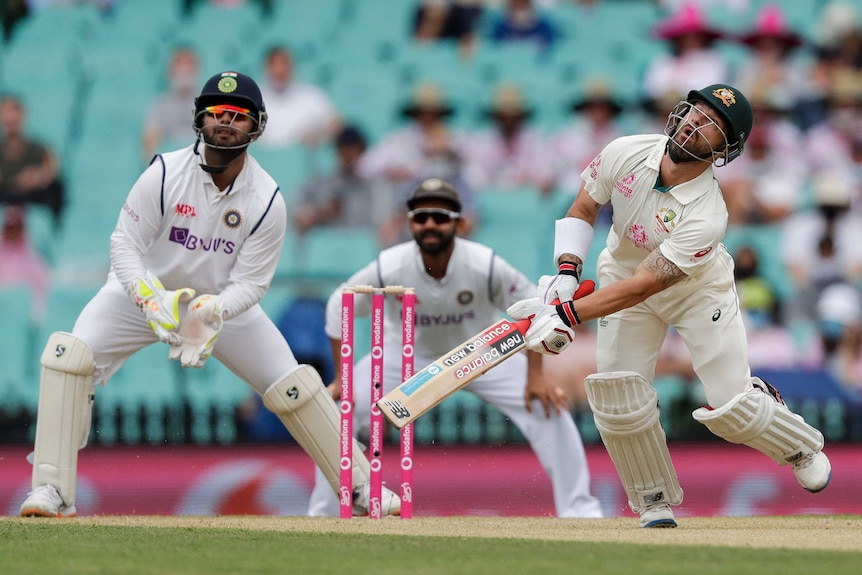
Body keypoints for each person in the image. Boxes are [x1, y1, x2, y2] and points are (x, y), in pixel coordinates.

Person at [18, 71, 400, 518]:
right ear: (200, 118)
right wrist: (148, 298)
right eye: (217, 113)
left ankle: (360, 488)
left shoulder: (267, 199)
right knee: (68, 357)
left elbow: (253, 285)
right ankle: (51, 491)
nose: (226, 122)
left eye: (237, 115)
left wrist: (213, 310)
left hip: (220, 306)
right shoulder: (164, 172)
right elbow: (124, 244)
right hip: (143, 296)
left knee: (295, 384)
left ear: (256, 126)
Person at [507, 84, 832, 528]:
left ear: (725, 150)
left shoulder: (708, 213)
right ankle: (653, 499)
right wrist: (566, 275)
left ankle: (800, 446)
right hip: (621, 276)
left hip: (697, 293)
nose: (696, 123)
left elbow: (645, 286)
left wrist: (567, 316)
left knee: (730, 408)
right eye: (695, 112)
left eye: (712, 125)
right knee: (618, 395)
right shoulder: (626, 151)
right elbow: (583, 206)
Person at [306, 178, 603, 518]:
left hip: (484, 352)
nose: (430, 224)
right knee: (344, 412)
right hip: (401, 354)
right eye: (421, 217)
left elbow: (534, 308)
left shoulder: (483, 263)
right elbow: (337, 305)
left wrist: (536, 376)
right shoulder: (391, 263)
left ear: (459, 223)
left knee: (550, 408)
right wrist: (343, 378)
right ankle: (325, 512)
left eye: (440, 216)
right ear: (410, 223)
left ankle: (580, 509)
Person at [291, 124, 396, 237]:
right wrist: (322, 213)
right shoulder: (318, 185)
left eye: (353, 149)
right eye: (342, 148)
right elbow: (298, 221)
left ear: (362, 151)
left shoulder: (376, 187)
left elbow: (386, 228)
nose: (347, 154)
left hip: (364, 248)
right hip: (325, 248)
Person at [256, 44, 342, 149]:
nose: (279, 70)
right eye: (274, 64)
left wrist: (318, 135)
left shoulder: (312, 96)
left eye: (284, 63)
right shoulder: (254, 99)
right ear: (266, 68)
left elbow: (336, 125)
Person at [0, 95, 65, 226]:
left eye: (15, 111)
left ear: (23, 115)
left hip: (33, 215)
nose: (10, 117)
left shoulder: (42, 150)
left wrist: (40, 178)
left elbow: (52, 173)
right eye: (5, 111)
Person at [141, 46, 200, 163]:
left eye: (189, 63)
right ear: (170, 70)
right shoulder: (159, 105)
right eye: (179, 63)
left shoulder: (209, 103)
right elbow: (148, 147)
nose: (184, 69)